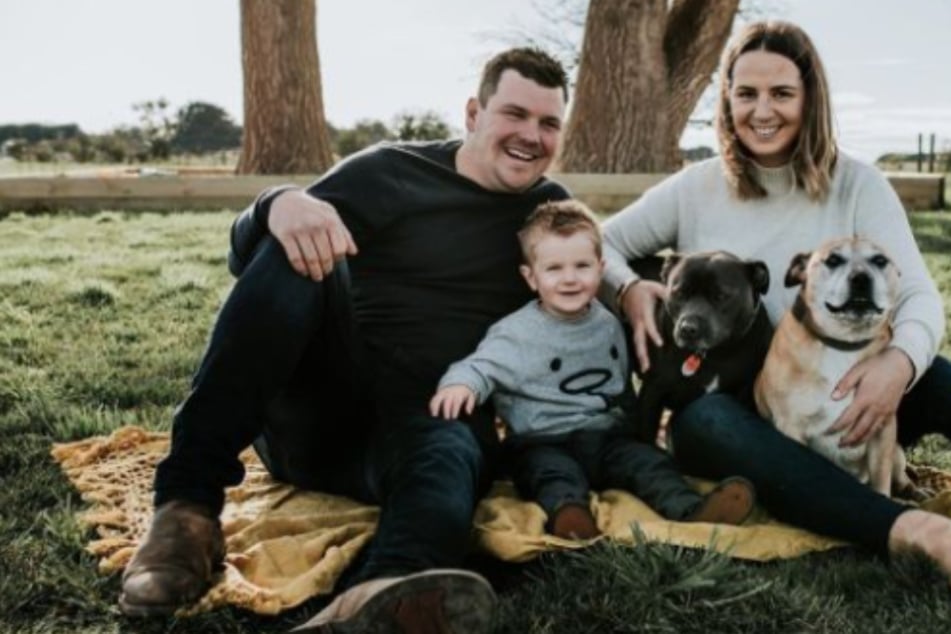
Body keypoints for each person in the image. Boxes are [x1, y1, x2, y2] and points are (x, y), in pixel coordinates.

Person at [119, 47, 573, 632]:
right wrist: (273, 204)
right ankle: (186, 511)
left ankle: (379, 595)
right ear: (473, 113)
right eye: (515, 114)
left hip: (431, 420)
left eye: (549, 123)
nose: (531, 136)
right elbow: (250, 258)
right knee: (300, 244)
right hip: (321, 409)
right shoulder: (391, 171)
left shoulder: (549, 211)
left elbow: (601, 275)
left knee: (453, 450)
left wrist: (635, 288)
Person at [601, 20, 951, 579]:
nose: (762, 111)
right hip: (744, 417)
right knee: (707, 421)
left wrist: (899, 362)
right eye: (746, 94)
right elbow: (604, 242)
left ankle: (836, 490)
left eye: (782, 93)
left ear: (811, 99)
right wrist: (628, 288)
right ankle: (902, 529)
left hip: (855, 405)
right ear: (727, 101)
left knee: (938, 375)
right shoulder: (697, 186)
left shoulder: (859, 183)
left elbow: (918, 296)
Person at [430, 200, 756, 540]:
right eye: (554, 269)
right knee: (551, 475)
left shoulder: (608, 323)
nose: (570, 279)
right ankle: (569, 516)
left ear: (601, 270)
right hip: (543, 441)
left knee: (650, 465)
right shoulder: (516, 333)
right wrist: (461, 386)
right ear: (530, 277)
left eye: (582, 266)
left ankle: (692, 510)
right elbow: (480, 367)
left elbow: (620, 384)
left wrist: (633, 429)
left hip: (606, 439)